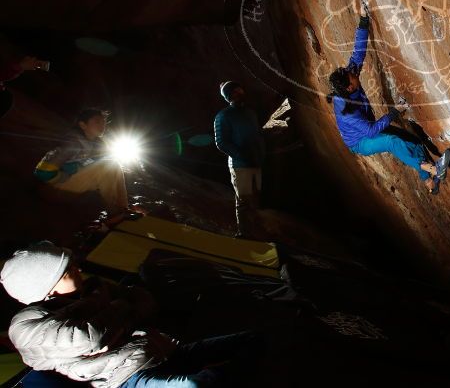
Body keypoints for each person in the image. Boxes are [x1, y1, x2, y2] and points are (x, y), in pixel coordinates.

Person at [0, 241, 264, 387]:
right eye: (68, 270)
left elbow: (146, 300)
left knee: (254, 340)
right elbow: (90, 337)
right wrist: (124, 310)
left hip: (157, 349)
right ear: (47, 288)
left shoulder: (92, 287)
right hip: (126, 376)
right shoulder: (26, 325)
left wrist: (118, 312)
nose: (78, 268)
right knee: (200, 385)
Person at [327, 2, 450, 194]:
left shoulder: (349, 83)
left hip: (367, 129)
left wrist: (364, 19)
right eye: (351, 75)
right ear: (350, 87)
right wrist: (395, 112)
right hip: (360, 141)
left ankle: (429, 183)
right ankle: (434, 169)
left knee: (412, 141)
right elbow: (371, 130)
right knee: (393, 142)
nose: (353, 72)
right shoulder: (346, 111)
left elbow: (358, 53)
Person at [34, 108, 139, 215]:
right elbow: (43, 172)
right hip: (54, 190)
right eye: (97, 121)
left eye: (104, 122)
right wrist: (64, 175)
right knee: (108, 165)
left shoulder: (97, 145)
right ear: (83, 125)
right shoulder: (73, 143)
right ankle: (115, 213)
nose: (102, 125)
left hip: (74, 187)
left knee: (115, 165)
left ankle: (123, 208)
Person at [214, 82, 266, 238]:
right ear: (229, 96)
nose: (240, 91)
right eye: (236, 91)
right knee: (243, 202)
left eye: (240, 89)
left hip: (255, 163)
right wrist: (241, 155)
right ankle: (244, 234)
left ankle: (255, 232)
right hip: (240, 165)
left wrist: (260, 153)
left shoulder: (251, 113)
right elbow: (221, 142)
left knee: (255, 200)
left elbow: (257, 135)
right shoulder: (223, 116)